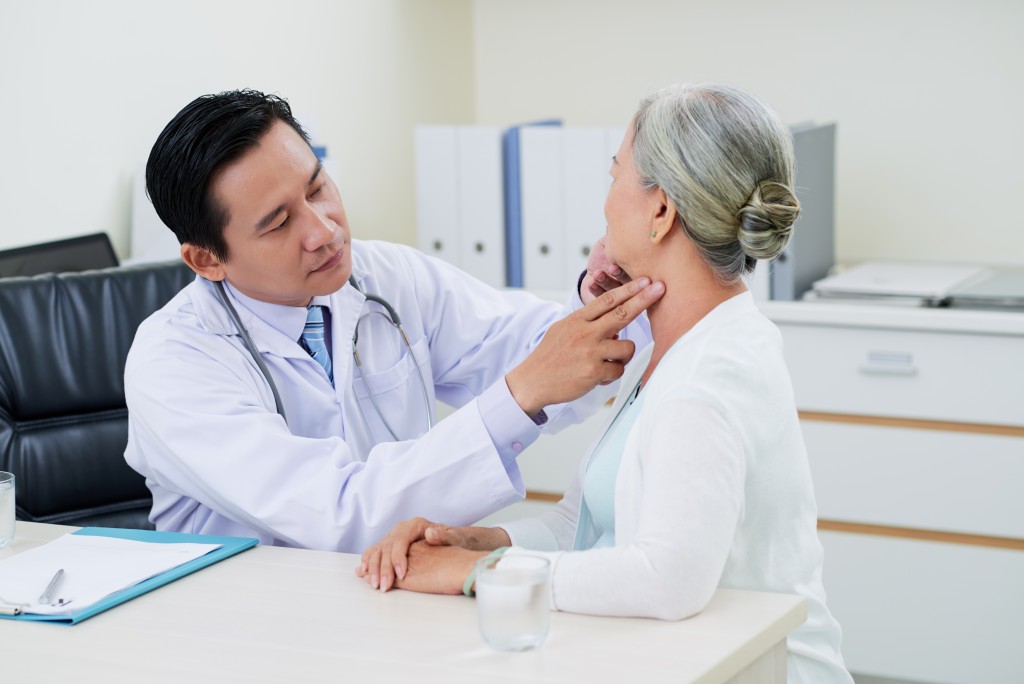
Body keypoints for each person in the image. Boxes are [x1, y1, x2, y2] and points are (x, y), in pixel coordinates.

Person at [358, 83, 853, 683]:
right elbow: (583, 527)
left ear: (662, 211)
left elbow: (667, 578)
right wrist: (470, 543)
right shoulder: (681, 346)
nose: (605, 201)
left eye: (615, 174)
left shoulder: (706, 380)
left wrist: (472, 577)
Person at [124, 89, 662, 554]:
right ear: (207, 259)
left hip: (393, 588)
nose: (324, 230)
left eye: (316, 188)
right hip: (242, 623)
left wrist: (600, 300)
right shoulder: (174, 363)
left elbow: (539, 357)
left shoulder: (386, 277)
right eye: (280, 222)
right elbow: (338, 516)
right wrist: (522, 392)